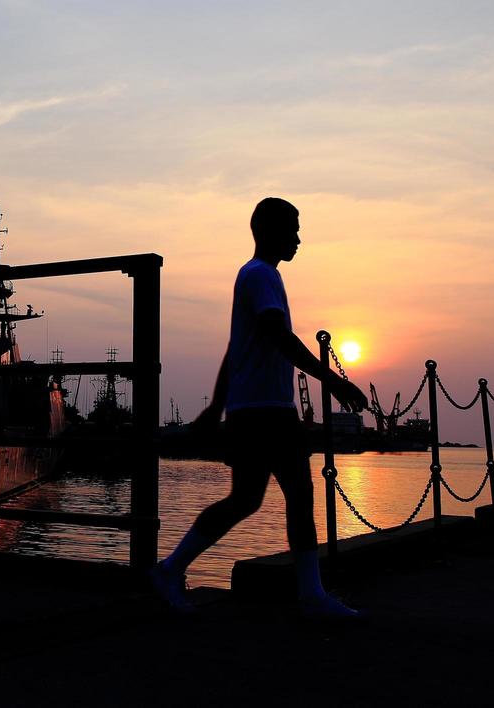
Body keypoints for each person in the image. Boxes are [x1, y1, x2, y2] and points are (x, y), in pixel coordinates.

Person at [150, 196, 369, 618]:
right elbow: (275, 334)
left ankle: (170, 568)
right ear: (269, 230)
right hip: (267, 410)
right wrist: (332, 379)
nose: (299, 238)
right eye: (293, 229)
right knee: (296, 495)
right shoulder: (260, 277)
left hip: (252, 408)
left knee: (247, 499)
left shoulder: (255, 276)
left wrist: (217, 404)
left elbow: (237, 347)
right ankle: (310, 594)